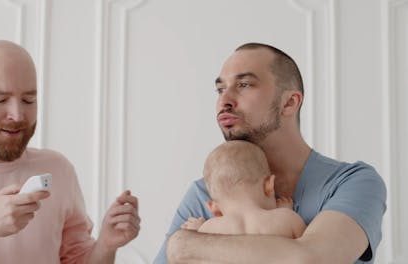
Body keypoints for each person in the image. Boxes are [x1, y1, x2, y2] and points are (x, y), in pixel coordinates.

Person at [0, 40, 140, 263]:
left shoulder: (57, 168)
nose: (18, 115)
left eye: (28, 100)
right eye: (0, 100)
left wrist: (107, 245)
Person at [155, 42, 386, 263]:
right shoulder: (206, 191)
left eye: (244, 84)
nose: (224, 101)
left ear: (289, 103)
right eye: (220, 89)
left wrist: (183, 245)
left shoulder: (352, 182)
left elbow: (312, 259)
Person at [181, 140, 306, 239]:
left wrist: (197, 230)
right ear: (269, 186)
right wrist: (286, 211)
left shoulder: (207, 230)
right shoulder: (287, 220)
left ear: (214, 208)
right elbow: (308, 254)